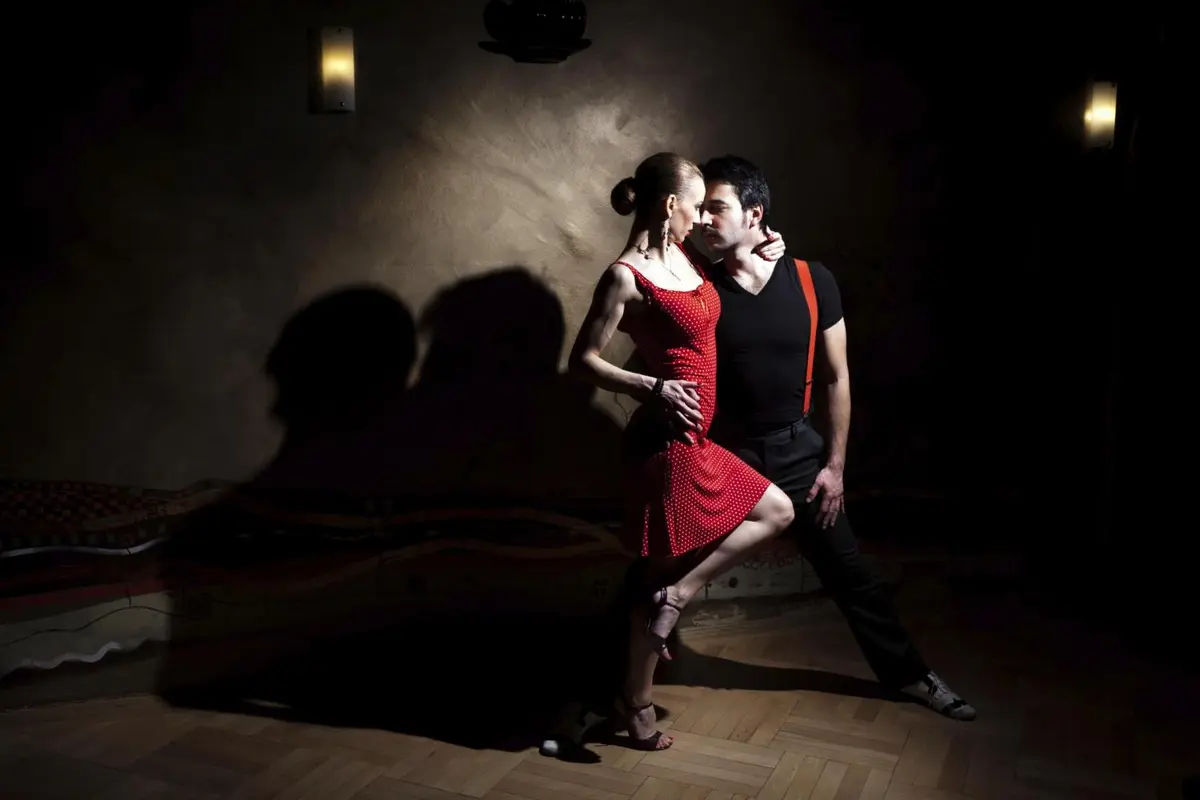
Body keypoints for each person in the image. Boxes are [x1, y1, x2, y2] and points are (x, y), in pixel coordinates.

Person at [693, 154, 976, 720]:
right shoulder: (699, 288)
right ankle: (610, 682)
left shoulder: (810, 279)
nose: (702, 219)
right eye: (698, 208)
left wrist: (836, 466)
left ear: (755, 213)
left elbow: (837, 376)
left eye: (716, 208)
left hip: (798, 455)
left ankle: (913, 676)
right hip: (727, 456)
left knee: (855, 579)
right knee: (664, 566)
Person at [567, 152, 795, 750]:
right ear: (671, 204)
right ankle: (635, 703)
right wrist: (653, 387)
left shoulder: (688, 258)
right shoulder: (625, 276)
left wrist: (764, 244)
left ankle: (677, 598)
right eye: (696, 207)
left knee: (776, 511)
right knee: (655, 578)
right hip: (665, 445)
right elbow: (581, 361)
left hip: (699, 441)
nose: (701, 219)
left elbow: (727, 265)